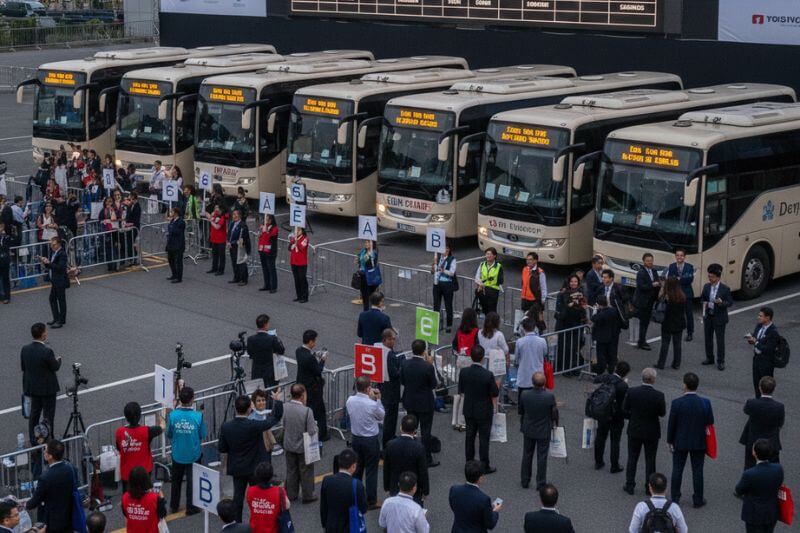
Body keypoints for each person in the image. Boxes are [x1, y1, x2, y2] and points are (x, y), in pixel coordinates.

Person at [219, 393, 284, 522]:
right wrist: (278, 402)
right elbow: (275, 418)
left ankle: (237, 523)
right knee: (258, 497)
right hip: (254, 468)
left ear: (236, 408)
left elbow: (222, 448)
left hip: (237, 467)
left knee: (238, 497)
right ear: (249, 409)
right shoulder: (254, 425)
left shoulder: (226, 426)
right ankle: (258, 522)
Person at [667, 372, 713, 508]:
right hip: (699, 442)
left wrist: (670, 440)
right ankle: (698, 499)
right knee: (698, 471)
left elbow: (672, 424)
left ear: (685, 385)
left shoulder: (677, 403)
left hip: (680, 441)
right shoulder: (705, 403)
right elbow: (710, 421)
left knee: (677, 469)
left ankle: (675, 498)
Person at [623, 368, 666, 496]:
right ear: (653, 380)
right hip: (652, 431)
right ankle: (649, 487)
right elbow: (662, 413)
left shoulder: (632, 392)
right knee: (650, 460)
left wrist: (633, 418)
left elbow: (625, 409)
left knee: (632, 458)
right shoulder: (659, 395)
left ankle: (630, 485)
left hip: (635, 429)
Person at [459, 345, 499, 474]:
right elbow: (494, 393)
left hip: (469, 408)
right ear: (483, 358)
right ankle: (484, 465)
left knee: (469, 437)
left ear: (471, 357)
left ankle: (469, 463)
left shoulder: (464, 372)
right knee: (483, 438)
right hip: (484, 410)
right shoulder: (488, 375)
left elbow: (461, 390)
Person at [346, 376, 385, 508]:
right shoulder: (372, 404)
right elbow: (381, 416)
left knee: (357, 469)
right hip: (370, 440)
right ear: (368, 389)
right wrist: (378, 399)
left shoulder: (350, 400)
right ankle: (371, 500)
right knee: (371, 471)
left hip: (356, 439)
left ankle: (355, 496)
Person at [166, 386, 205, 515]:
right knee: (192, 481)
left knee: (176, 481)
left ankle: (174, 506)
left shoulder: (172, 415)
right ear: (192, 399)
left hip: (177, 453)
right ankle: (191, 507)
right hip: (193, 454)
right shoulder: (198, 416)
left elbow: (169, 433)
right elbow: (202, 434)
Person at [21, 322, 61, 445]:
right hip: (47, 389)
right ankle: (48, 440)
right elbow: (55, 367)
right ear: (43, 335)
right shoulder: (47, 351)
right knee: (48, 415)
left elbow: (23, 367)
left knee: (34, 413)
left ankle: (34, 440)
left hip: (33, 387)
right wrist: (59, 360)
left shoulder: (25, 349)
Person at [26, 439, 78, 533]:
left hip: (52, 522)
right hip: (69, 515)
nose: (44, 452)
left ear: (50, 456)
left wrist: (24, 505)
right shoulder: (71, 468)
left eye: (45, 450)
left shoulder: (45, 477)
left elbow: (35, 501)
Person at [401, 339, 439, 467]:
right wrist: (431, 364)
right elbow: (433, 384)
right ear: (424, 352)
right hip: (425, 403)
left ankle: (409, 455)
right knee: (425, 431)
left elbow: (402, 381)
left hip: (410, 400)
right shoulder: (428, 366)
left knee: (410, 429)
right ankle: (426, 458)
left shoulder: (405, 363)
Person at [735, 439, 784, 533]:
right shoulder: (778, 469)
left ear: (754, 454)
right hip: (771, 512)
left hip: (754, 515)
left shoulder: (749, 474)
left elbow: (739, 490)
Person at [519, 372, 557, 490]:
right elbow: (554, 413)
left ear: (532, 382)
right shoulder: (549, 397)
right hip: (543, 430)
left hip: (528, 428)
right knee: (542, 457)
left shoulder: (524, 394)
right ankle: (540, 483)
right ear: (544, 383)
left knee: (527, 454)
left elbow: (521, 411)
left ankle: (525, 480)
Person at [115, 401, 164, 491]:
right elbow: (162, 427)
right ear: (139, 416)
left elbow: (119, 449)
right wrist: (160, 415)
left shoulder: (120, 432)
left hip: (127, 474)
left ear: (126, 417)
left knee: (128, 497)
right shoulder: (146, 431)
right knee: (145, 496)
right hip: (144, 473)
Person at [282, 383, 317, 503]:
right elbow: (312, 431)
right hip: (303, 446)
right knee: (306, 471)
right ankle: (308, 495)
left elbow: (283, 424)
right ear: (302, 396)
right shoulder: (307, 411)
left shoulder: (285, 407)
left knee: (291, 470)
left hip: (289, 444)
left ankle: (291, 494)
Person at [593, 360, 630, 473]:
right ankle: (614, 465)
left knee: (600, 437)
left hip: (603, 412)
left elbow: (595, 380)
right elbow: (624, 402)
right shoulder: (623, 385)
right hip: (617, 416)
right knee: (615, 441)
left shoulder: (606, 378)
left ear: (615, 368)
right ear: (626, 373)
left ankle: (598, 462)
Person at [383, 415, 429, 505]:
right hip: (413, 489)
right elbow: (423, 472)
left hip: (395, 487)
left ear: (401, 427)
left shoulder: (390, 445)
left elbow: (386, 468)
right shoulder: (419, 448)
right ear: (415, 430)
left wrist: (387, 487)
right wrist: (425, 491)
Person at [740, 376, 784, 469]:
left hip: (753, 441)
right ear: (773, 389)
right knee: (773, 468)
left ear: (760, 388)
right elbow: (780, 424)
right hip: (772, 443)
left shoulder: (751, 403)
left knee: (750, 467)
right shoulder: (779, 407)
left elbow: (746, 410)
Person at [319, 449, 367, 533]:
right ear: (353, 466)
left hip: (331, 526)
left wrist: (324, 525)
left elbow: (323, 507)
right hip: (350, 527)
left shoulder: (327, 480)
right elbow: (363, 508)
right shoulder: (357, 484)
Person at [449, 460, 501, 533]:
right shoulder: (484, 499)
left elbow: (453, 507)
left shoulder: (454, 489)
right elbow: (490, 524)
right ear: (480, 478)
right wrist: (495, 511)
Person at [295, 330, 328, 442]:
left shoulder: (298, 351)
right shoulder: (310, 358)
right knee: (319, 412)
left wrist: (314, 355)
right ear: (310, 342)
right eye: (314, 341)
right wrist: (322, 360)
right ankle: (321, 435)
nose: (315, 343)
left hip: (302, 386)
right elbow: (318, 370)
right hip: (313, 389)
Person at [452, 307, 479, 430]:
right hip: (470, 361)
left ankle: (455, 420)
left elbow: (454, 345)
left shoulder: (459, 331)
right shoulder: (476, 331)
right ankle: (462, 421)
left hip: (460, 360)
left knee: (459, 391)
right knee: (467, 394)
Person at [700, 263, 732, 371]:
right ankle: (709, 358)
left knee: (720, 340)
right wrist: (704, 303)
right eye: (709, 276)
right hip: (709, 316)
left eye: (712, 277)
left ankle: (721, 361)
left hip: (719, 318)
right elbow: (702, 298)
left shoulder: (725, 289)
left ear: (718, 277)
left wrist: (721, 303)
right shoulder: (706, 286)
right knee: (708, 338)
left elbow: (730, 302)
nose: (710, 278)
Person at [554, 274, 586, 374]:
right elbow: (559, 310)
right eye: (571, 281)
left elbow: (583, 308)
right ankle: (563, 368)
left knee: (574, 347)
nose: (573, 283)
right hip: (564, 324)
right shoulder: (562, 294)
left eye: (575, 281)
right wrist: (569, 305)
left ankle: (573, 367)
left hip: (576, 324)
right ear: (568, 282)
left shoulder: (581, 294)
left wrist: (582, 305)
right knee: (564, 347)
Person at [595, 269, 628, 367]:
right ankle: (604, 361)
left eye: (605, 277)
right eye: (602, 277)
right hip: (603, 318)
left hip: (614, 320)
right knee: (603, 341)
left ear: (611, 278)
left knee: (613, 342)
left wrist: (615, 306)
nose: (603, 279)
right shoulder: (601, 288)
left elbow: (625, 301)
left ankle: (612, 363)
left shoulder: (618, 288)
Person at [121, 466, 167, 533]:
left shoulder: (125, 497)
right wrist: (162, 497)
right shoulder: (154, 498)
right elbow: (162, 514)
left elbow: (126, 516)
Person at [246, 462, 290, 533]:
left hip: (254, 530)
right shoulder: (279, 491)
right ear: (271, 476)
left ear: (257, 475)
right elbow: (287, 506)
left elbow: (249, 504)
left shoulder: (250, 491)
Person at [378, 328, 404, 447]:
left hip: (383, 386)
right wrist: (402, 367)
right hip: (391, 389)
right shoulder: (390, 354)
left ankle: (388, 438)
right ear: (385, 340)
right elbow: (395, 373)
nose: (394, 341)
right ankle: (388, 440)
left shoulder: (378, 348)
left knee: (388, 416)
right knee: (391, 417)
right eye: (391, 339)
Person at [746, 307, 780, 398]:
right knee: (757, 386)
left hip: (766, 363)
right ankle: (758, 402)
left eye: (760, 316)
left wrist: (756, 342)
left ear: (767, 318)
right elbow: (755, 337)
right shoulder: (759, 326)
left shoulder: (773, 332)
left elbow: (768, 349)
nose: (758, 317)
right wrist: (751, 339)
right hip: (756, 360)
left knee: (766, 388)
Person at [655, 277, 687, 370]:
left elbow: (659, 298)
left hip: (667, 323)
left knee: (665, 344)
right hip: (679, 323)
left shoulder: (666, 297)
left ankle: (661, 363)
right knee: (677, 344)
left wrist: (662, 287)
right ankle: (676, 363)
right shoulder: (682, 296)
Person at [246, 314, 286, 388]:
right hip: (270, 372)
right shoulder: (272, 338)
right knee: (271, 390)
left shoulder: (250, 339)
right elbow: (281, 350)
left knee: (258, 391)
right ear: (265, 325)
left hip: (256, 371)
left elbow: (250, 353)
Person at [634, 253, 662, 351]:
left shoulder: (654, 271)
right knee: (643, 322)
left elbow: (657, 281)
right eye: (648, 261)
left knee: (646, 322)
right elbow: (641, 286)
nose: (650, 262)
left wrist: (659, 284)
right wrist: (652, 285)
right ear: (644, 262)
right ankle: (641, 342)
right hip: (643, 301)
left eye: (651, 260)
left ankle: (642, 340)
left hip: (651, 301)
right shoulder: (641, 273)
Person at [666, 249, 695, 341]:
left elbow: (689, 279)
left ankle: (690, 333)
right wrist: (681, 278)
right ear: (675, 256)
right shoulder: (672, 266)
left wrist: (678, 279)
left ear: (684, 257)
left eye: (681, 255)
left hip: (687, 294)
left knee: (689, 314)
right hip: (675, 294)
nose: (679, 257)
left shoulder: (689, 266)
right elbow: (670, 279)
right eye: (677, 255)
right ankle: (674, 329)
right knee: (675, 313)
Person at [40, 236, 69, 328]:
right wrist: (46, 263)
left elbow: (60, 267)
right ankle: (56, 318)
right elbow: (51, 266)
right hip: (55, 281)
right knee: (52, 299)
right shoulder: (54, 252)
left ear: (59, 244)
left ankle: (61, 321)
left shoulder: (62, 254)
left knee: (61, 301)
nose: (52, 246)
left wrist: (49, 263)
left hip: (60, 281)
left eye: (54, 244)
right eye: (51, 245)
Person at [514, 317, 548, 395]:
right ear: (534, 327)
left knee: (523, 397)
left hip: (524, 375)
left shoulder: (519, 342)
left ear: (523, 328)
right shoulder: (542, 341)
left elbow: (516, 358)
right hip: (538, 374)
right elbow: (545, 353)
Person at [432, 243, 457, 333]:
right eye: (443, 248)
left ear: (449, 250)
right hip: (437, 284)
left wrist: (443, 270)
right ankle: (436, 324)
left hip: (447, 285)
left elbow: (452, 273)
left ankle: (449, 325)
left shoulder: (452, 259)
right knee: (436, 305)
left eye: (447, 248)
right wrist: (433, 266)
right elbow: (433, 272)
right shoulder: (438, 258)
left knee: (448, 305)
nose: (445, 250)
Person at [591, 295, 619, 374]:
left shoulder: (601, 314)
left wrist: (595, 310)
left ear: (599, 304)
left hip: (602, 338)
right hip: (612, 337)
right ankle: (611, 371)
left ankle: (600, 372)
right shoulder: (613, 311)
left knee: (601, 356)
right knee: (611, 356)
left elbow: (593, 318)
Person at [521, 252, 548, 331]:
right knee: (527, 321)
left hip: (535, 301)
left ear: (535, 261)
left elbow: (543, 287)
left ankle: (540, 335)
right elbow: (523, 283)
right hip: (525, 300)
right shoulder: (525, 269)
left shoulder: (540, 272)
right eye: (527, 259)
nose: (528, 261)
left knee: (537, 321)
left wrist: (542, 300)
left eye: (530, 259)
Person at [477, 312, 509, 377]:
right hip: (495, 363)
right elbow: (506, 350)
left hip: (482, 361)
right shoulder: (499, 335)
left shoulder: (480, 332)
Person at [474, 247, 503, 315]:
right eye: (487, 254)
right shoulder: (482, 264)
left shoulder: (499, 266)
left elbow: (500, 281)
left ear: (494, 256)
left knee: (492, 311)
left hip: (493, 292)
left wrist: (488, 283)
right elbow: (477, 277)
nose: (488, 256)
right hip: (483, 290)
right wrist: (480, 284)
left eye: (490, 254)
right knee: (485, 310)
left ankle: (492, 321)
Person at [228, 209, 251, 286]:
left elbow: (244, 237)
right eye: (233, 214)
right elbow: (229, 233)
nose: (234, 216)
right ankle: (236, 277)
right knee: (234, 262)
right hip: (232, 246)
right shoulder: (232, 223)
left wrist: (234, 242)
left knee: (241, 263)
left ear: (240, 215)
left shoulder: (243, 225)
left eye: (236, 214)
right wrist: (228, 241)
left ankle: (244, 279)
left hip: (240, 247)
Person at [257, 214, 279, 293]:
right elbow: (260, 237)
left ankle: (273, 286)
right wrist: (260, 231)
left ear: (271, 220)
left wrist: (265, 231)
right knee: (265, 268)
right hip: (262, 250)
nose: (266, 221)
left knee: (271, 269)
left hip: (270, 252)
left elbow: (271, 237)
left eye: (268, 219)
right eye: (265, 219)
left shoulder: (274, 228)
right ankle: (267, 285)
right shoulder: (263, 226)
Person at [205, 204, 228, 276]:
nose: (216, 209)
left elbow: (217, 227)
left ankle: (221, 270)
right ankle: (214, 268)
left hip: (221, 239)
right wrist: (208, 215)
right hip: (214, 239)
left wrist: (210, 220)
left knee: (221, 256)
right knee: (214, 255)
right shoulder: (214, 214)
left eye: (217, 208)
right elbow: (206, 214)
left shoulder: (223, 216)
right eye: (215, 208)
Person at [357, 239, 379, 311]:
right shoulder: (363, 251)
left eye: (368, 242)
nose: (366, 244)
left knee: (369, 297)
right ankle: (366, 311)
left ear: (372, 244)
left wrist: (367, 254)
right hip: (363, 276)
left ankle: (369, 312)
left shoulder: (373, 253)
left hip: (370, 277)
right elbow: (359, 259)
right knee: (364, 297)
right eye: (365, 242)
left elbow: (366, 260)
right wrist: (357, 259)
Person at [165, 207, 185, 283]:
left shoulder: (181, 222)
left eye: (172, 212)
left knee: (178, 262)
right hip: (171, 243)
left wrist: (171, 227)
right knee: (170, 260)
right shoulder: (172, 220)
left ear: (176, 213)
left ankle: (179, 278)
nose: (171, 213)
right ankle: (174, 274)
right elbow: (170, 229)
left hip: (178, 244)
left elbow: (176, 231)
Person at [289, 226, 309, 302]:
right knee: (296, 280)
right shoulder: (294, 238)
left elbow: (301, 247)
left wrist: (296, 242)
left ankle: (305, 297)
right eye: (296, 230)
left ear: (302, 231)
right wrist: (292, 240)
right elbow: (289, 248)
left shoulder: (305, 238)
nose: (296, 232)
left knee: (302, 280)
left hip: (301, 263)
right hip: (294, 262)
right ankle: (299, 296)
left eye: (299, 230)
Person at [0, 223, 11, 304]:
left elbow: (8, 245)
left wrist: (4, 236)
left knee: (5, 279)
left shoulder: (6, 237)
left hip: (5, 260)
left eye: (1, 227)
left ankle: (7, 297)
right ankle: (1, 296)